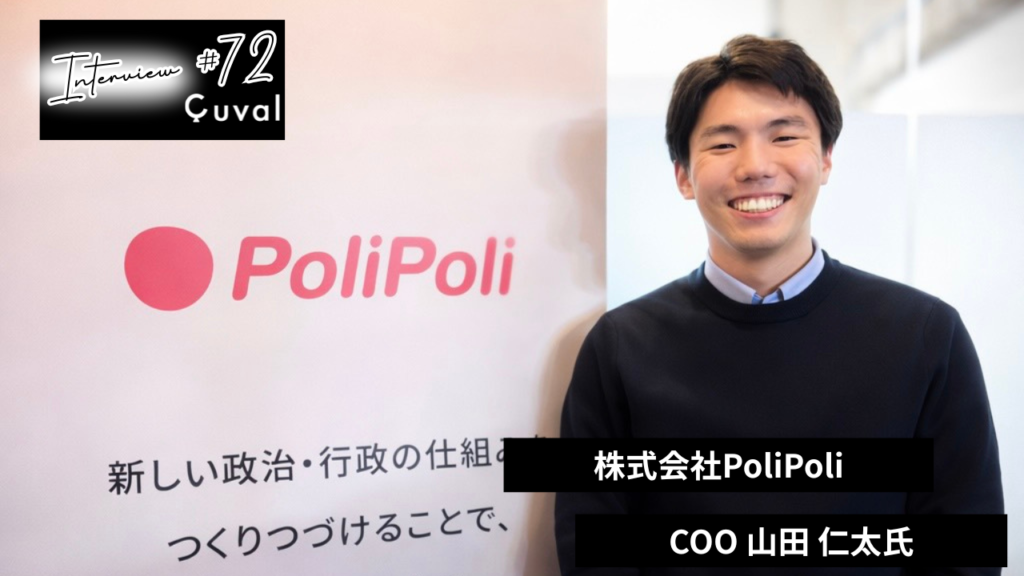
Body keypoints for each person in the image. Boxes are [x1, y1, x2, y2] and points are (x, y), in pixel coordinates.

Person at [554, 34, 1003, 575]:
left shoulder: (925, 334)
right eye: (723, 144)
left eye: (785, 136)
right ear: (683, 176)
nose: (756, 166)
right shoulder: (620, 346)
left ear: (826, 158)